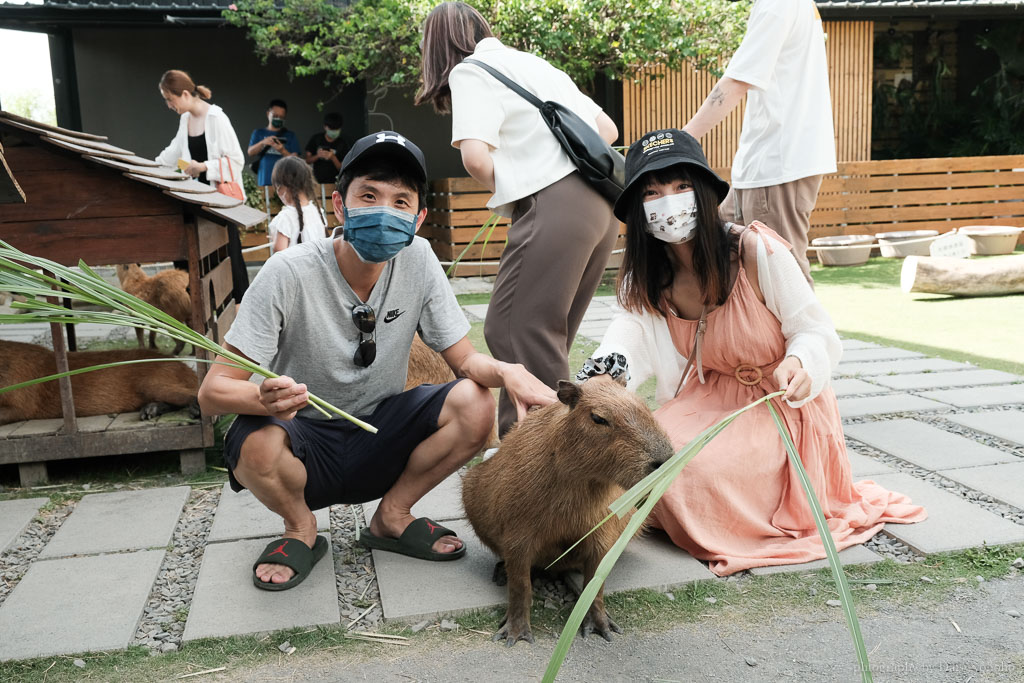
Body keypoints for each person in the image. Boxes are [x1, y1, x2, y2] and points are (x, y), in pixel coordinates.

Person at [198, 131, 556, 590]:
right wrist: (262, 398)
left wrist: (508, 372)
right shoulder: (287, 272)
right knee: (254, 443)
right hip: (305, 439)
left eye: (401, 201)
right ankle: (299, 528)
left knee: (476, 402)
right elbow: (212, 394)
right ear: (339, 205)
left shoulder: (420, 259)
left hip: (382, 435)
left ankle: (392, 515)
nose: (385, 211)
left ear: (419, 217)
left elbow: (464, 362)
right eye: (368, 195)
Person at [577, 129, 925, 576]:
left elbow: (814, 330)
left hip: (778, 403)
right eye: (652, 192)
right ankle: (690, 515)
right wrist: (609, 369)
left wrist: (802, 362)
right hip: (709, 400)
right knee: (646, 458)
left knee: (691, 474)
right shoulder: (646, 277)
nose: (669, 201)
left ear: (703, 193)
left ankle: (721, 513)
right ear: (639, 211)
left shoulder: (755, 251)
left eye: (682, 187)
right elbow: (630, 336)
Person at [417, 1, 621, 437]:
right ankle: (534, 450)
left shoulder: (470, 70)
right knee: (547, 338)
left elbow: (474, 157)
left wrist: (520, 182)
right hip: (602, 206)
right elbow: (607, 131)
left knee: (512, 329)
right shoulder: (538, 65)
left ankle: (540, 461)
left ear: (437, 46)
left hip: (555, 203)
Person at [683, 0, 836, 285]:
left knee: (783, 282)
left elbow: (737, 82)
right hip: (766, 165)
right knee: (728, 262)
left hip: (777, 164)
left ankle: (811, 332)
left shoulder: (776, 5)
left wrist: (683, 139)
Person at [156, 69, 249, 302]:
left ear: (185, 94)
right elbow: (173, 154)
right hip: (197, 204)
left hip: (220, 204)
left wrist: (204, 167)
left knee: (229, 262)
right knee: (195, 261)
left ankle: (238, 315)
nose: (168, 105)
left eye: (170, 99)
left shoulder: (217, 118)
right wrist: (149, 167)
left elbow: (237, 160)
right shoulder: (185, 119)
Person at [268, 156, 327, 252]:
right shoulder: (318, 212)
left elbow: (279, 254)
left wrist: (275, 240)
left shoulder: (285, 218)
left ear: (282, 187)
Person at [247, 99, 301, 187]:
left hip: (286, 182)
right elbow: (250, 152)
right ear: (268, 113)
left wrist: (282, 150)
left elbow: (296, 162)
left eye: (281, 117)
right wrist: (263, 142)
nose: (278, 119)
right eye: (275, 115)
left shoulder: (290, 135)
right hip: (265, 180)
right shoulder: (258, 133)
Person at [304, 112, 349, 184]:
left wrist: (333, 157)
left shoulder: (342, 143)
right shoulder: (316, 139)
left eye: (336, 129)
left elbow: (343, 169)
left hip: (335, 183)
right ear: (325, 127)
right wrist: (318, 156)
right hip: (316, 182)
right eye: (332, 129)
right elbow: (306, 161)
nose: (334, 131)